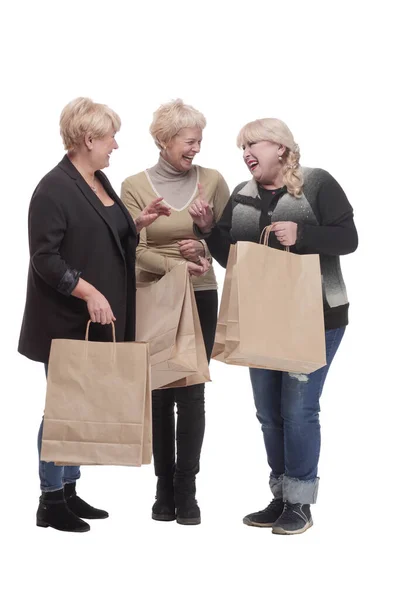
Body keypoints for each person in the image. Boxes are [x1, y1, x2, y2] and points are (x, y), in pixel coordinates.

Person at [189, 117, 358, 535]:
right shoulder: (243, 195)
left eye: (253, 144)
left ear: (281, 148)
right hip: (262, 318)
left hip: (318, 316)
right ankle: (281, 495)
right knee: (268, 413)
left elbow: (349, 239)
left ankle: (300, 503)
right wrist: (211, 230)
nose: (245, 152)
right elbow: (234, 260)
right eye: (241, 147)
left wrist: (302, 233)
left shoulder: (317, 184)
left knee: (298, 410)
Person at [18, 97, 170, 533]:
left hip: (104, 319)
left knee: (80, 402)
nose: (115, 145)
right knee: (62, 406)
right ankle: (50, 500)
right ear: (87, 139)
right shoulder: (54, 189)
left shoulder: (97, 179)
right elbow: (44, 258)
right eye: (109, 137)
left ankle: (68, 489)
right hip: (66, 321)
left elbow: (102, 234)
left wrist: (138, 222)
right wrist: (88, 292)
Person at [121, 99, 230, 525]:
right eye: (189, 141)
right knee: (159, 391)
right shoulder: (134, 185)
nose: (196, 148)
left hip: (200, 292)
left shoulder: (214, 181)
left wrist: (203, 243)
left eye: (200, 140)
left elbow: (225, 245)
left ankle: (187, 489)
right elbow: (132, 247)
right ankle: (162, 488)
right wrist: (174, 265)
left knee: (192, 391)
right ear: (164, 142)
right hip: (151, 293)